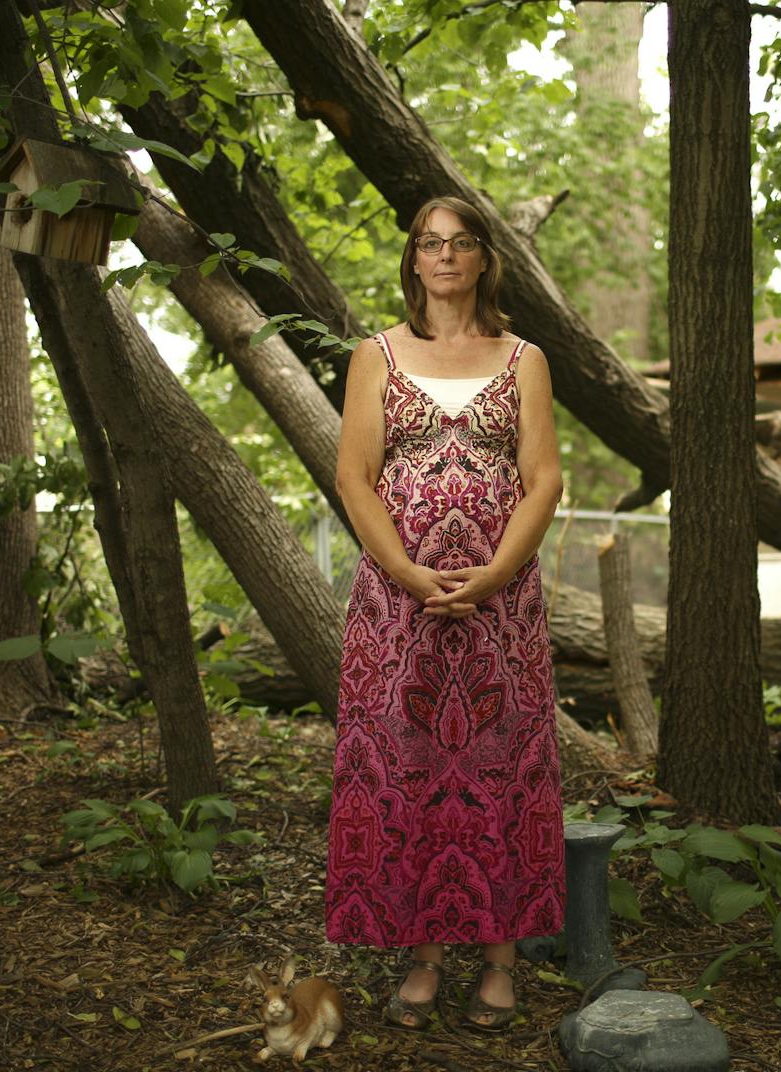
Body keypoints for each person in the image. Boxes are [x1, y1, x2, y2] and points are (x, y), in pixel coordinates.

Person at [325, 196, 566, 1032]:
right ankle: (421, 954)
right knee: (411, 765)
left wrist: (497, 573)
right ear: (414, 259)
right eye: (430, 243)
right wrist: (405, 570)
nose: (445, 257)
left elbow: (544, 480)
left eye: (461, 243)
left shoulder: (523, 358)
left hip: (502, 607)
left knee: (501, 763)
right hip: (399, 607)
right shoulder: (375, 356)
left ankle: (501, 962)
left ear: (482, 259)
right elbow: (355, 476)